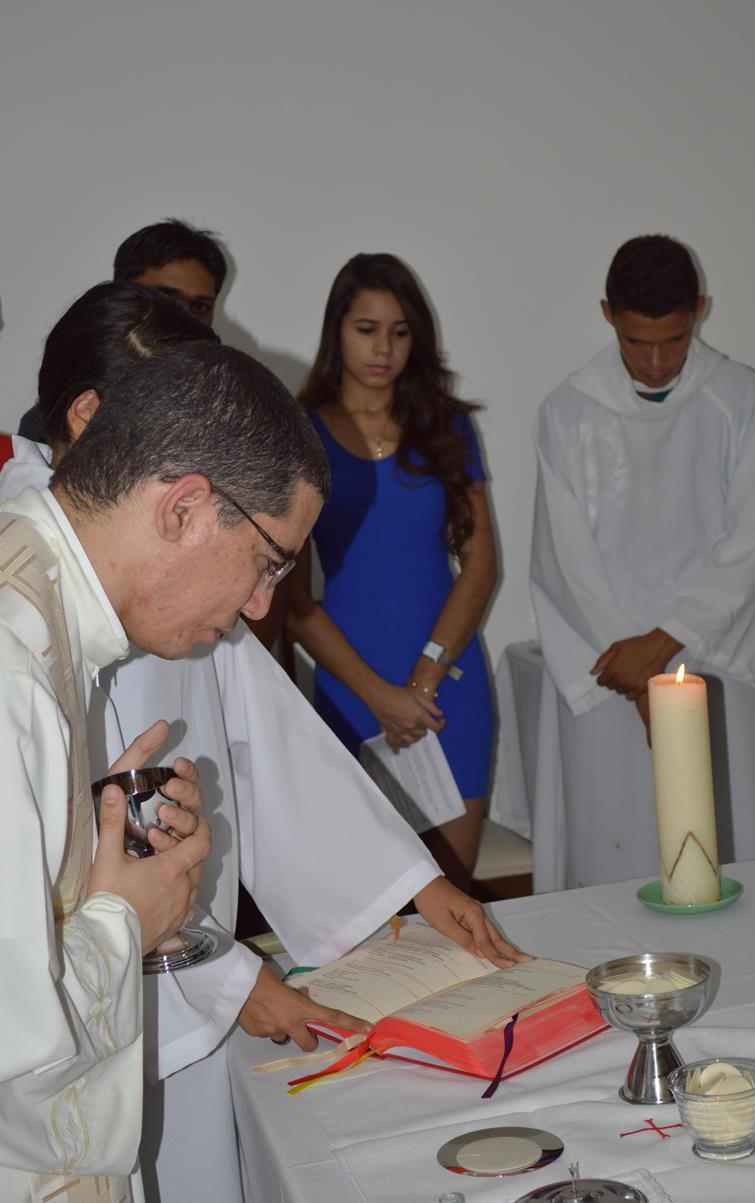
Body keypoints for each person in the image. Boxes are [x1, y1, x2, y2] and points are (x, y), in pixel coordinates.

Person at [1, 282, 521, 1203]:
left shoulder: (60, 599)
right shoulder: (17, 654)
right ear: (181, 502)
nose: (259, 608)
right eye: (267, 562)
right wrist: (133, 921)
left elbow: (266, 736)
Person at [529, 233, 755, 891]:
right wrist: (638, 672)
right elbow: (565, 558)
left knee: (734, 852)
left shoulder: (741, 397)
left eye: (674, 341)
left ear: (699, 310)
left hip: (715, 658)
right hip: (609, 668)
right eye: (636, 342)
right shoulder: (567, 413)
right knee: (615, 857)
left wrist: (661, 646)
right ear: (607, 316)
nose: (655, 363)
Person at [286, 253, 498, 893]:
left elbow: (481, 566)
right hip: (351, 693)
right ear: (337, 331)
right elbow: (293, 602)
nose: (384, 348)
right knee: (363, 907)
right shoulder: (300, 434)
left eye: (400, 332)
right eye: (367, 329)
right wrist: (381, 696)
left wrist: (423, 680)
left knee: (452, 901)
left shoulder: (446, 426)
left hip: (447, 691)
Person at [17, 219, 226, 442]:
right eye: (166, 298)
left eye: (200, 306)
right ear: (123, 295)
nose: (184, 316)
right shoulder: (55, 419)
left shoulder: (226, 408)